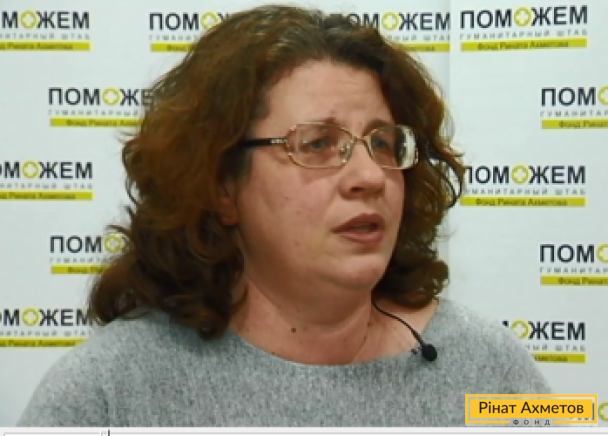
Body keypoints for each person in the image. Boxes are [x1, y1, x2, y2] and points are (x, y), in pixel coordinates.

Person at [18, 4, 551, 427]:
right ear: (221, 187)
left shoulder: (492, 369)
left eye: (383, 142)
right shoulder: (109, 392)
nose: (370, 176)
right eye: (318, 143)